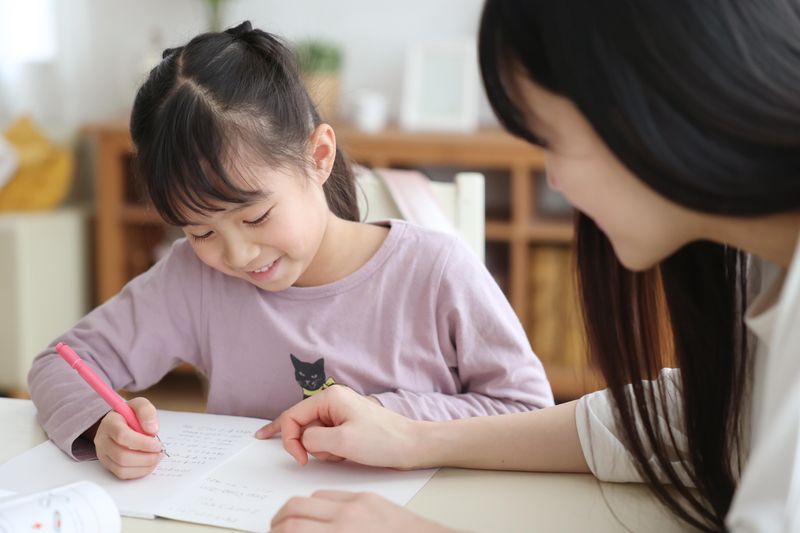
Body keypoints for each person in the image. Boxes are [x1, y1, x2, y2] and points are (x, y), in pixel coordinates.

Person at [260, 1, 800, 531]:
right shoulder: (758, 263)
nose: (555, 181)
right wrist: (413, 437)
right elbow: (715, 415)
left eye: (550, 139)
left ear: (658, 107)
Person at [27, 21, 553, 480]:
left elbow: (529, 413)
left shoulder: (437, 272)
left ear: (318, 156)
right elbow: (61, 363)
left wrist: (390, 416)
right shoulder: (195, 279)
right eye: (200, 231)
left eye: (255, 216)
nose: (235, 254)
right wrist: (101, 425)